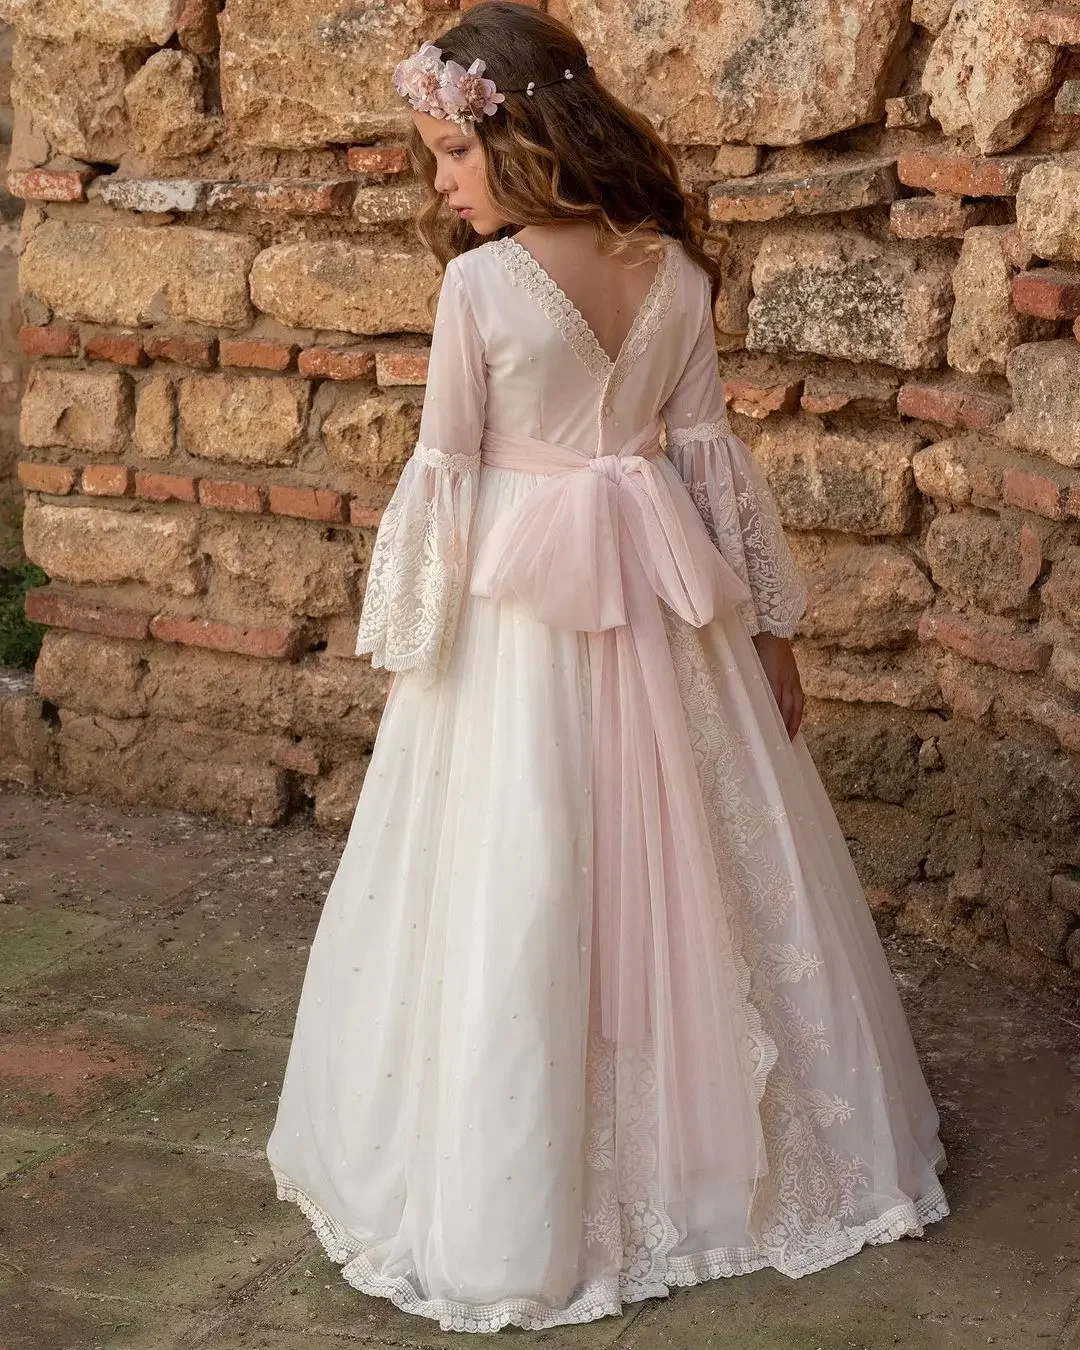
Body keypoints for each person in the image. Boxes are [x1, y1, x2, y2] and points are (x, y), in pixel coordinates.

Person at [266, 3, 949, 1333]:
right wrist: (766, 634)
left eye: (451, 157)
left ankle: (530, 1188)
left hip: (519, 633)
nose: (442, 185)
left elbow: (450, 477)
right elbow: (710, 468)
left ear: (513, 137)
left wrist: (414, 654)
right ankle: (722, 1167)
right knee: (700, 878)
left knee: (525, 882)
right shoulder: (675, 276)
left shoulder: (479, 290)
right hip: (670, 608)